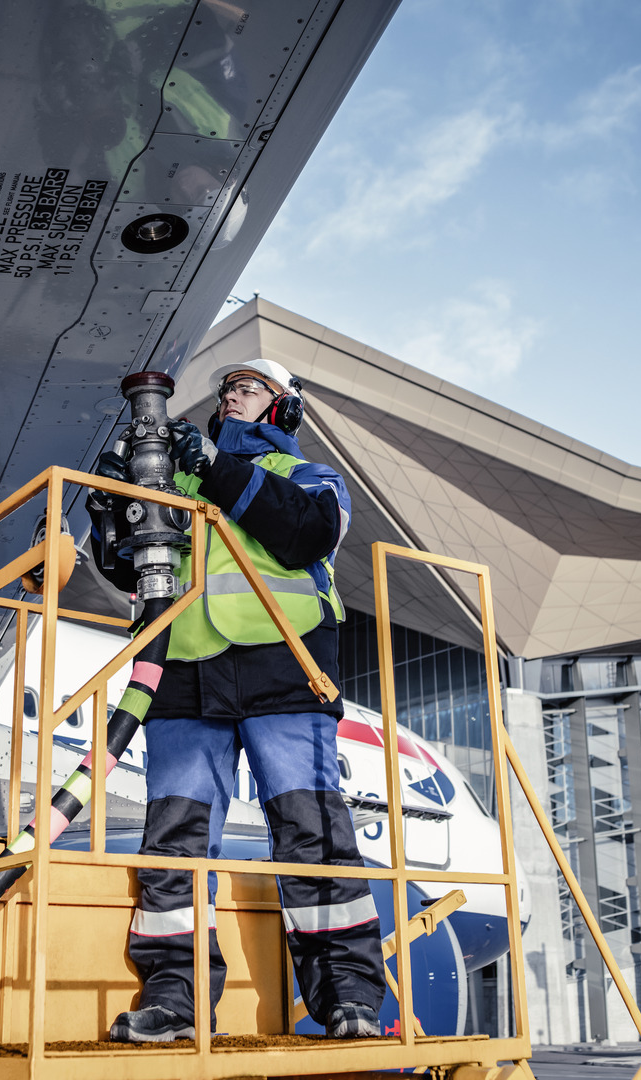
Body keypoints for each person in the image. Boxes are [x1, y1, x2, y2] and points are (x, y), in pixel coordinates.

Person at [87, 359, 385, 1043]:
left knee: (312, 833)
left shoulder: (308, 477)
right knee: (175, 840)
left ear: (284, 410)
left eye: (249, 389)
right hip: (183, 671)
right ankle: (174, 998)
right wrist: (110, 511)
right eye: (227, 391)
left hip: (286, 663)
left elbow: (304, 533)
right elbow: (136, 566)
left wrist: (217, 465)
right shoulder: (181, 483)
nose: (231, 397)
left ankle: (347, 997)